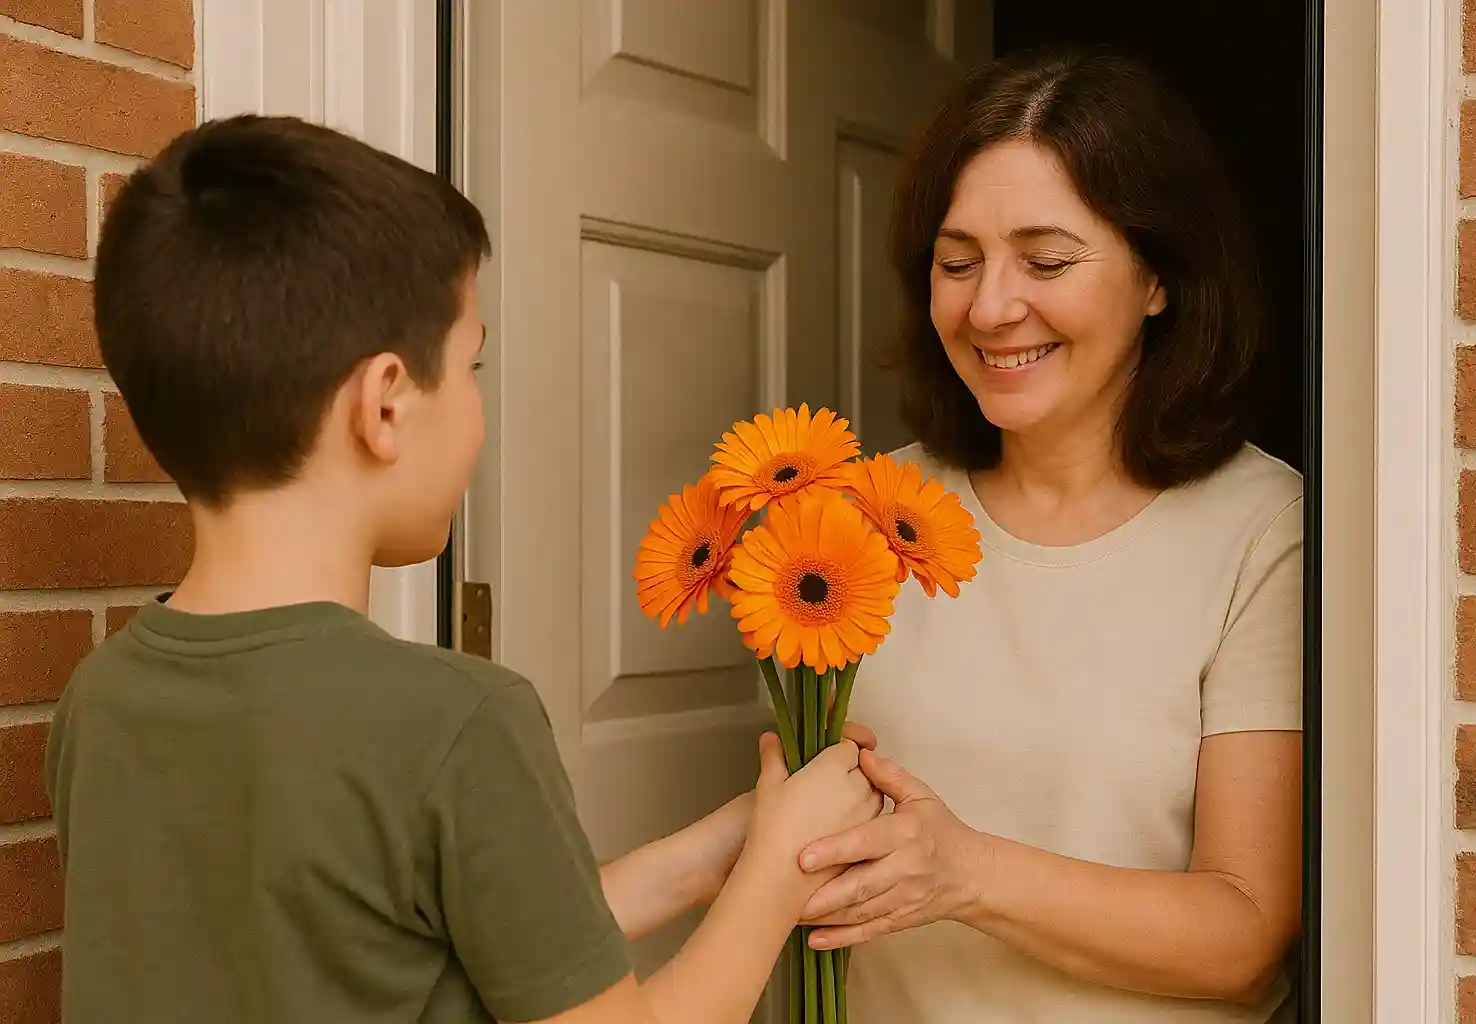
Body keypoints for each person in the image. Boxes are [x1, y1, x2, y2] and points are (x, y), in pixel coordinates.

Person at [44, 114, 883, 1024]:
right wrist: (778, 878)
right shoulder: (459, 722)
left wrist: (721, 852)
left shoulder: (102, 701)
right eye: (471, 364)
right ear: (387, 405)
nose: (480, 403)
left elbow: (427, 939)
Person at [793, 47, 1303, 1023]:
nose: (989, 307)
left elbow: (1242, 935)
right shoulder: (858, 510)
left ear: (1159, 275)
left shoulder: (1262, 530)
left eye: (1047, 259)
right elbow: (800, 845)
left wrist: (964, 870)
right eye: (958, 262)